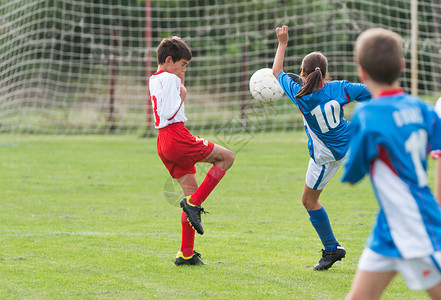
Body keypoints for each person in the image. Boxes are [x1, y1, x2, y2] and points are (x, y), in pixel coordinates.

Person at [342, 28, 441, 299]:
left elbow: (353, 173)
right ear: (403, 65)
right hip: (388, 228)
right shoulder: (423, 109)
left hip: (416, 224)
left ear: (361, 73)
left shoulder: (367, 114)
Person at [272, 25, 371, 270]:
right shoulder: (340, 88)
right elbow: (372, 93)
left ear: (302, 72)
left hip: (326, 157)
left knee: (308, 201)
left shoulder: (298, 94)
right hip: (349, 141)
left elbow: (276, 72)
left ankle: (331, 249)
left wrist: (282, 43)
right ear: (325, 75)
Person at [149, 36, 235, 266]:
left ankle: (186, 254)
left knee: (191, 191)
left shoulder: (155, 78)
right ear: (169, 60)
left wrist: (180, 81)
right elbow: (169, 111)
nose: (184, 69)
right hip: (177, 136)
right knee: (227, 157)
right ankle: (194, 205)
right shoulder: (170, 79)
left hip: (163, 142)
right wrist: (182, 94)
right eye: (183, 64)